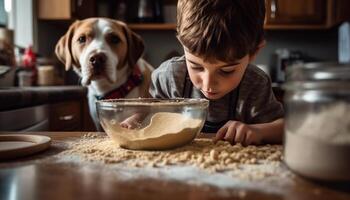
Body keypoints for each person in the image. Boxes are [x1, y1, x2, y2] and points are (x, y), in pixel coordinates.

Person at [149, 0, 284, 146]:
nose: (208, 84)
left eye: (227, 71)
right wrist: (137, 120)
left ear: (254, 52)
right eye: (196, 67)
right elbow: (147, 116)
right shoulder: (168, 77)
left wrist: (258, 131)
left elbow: (286, 128)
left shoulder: (255, 84)